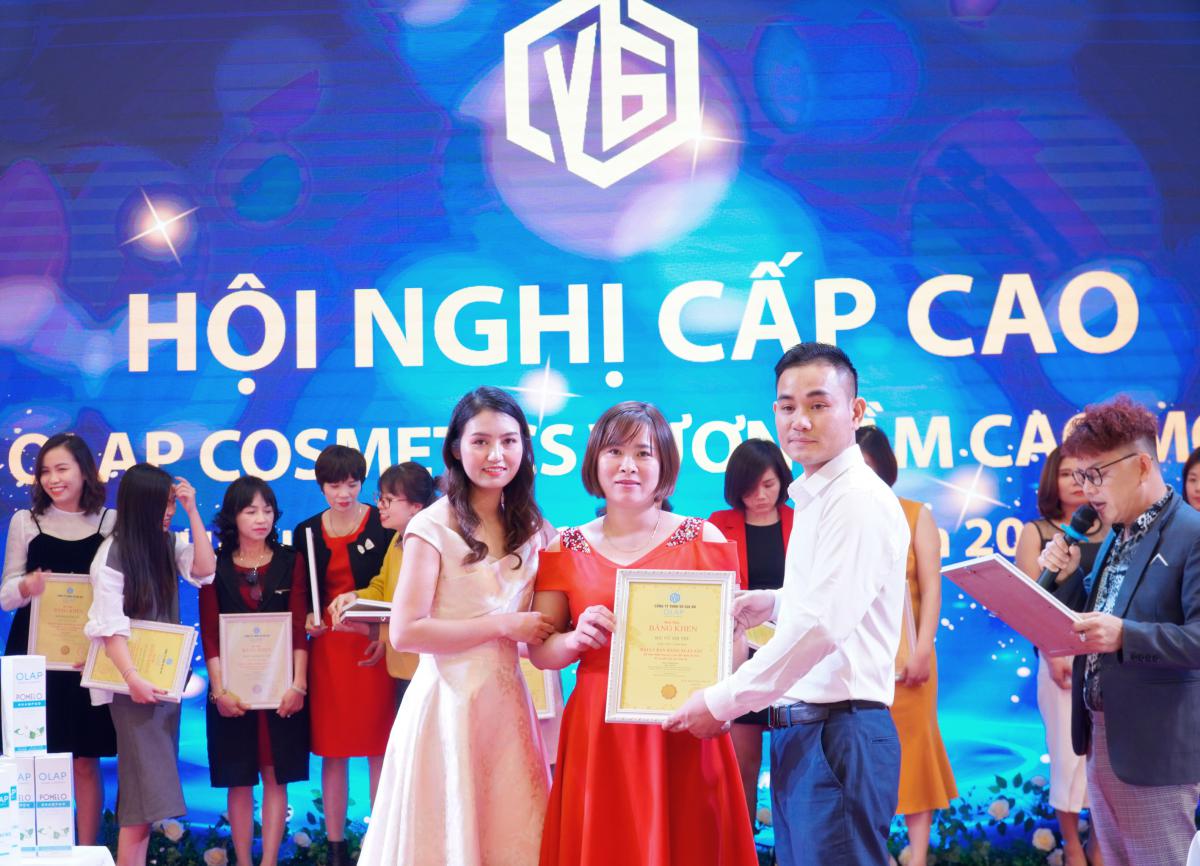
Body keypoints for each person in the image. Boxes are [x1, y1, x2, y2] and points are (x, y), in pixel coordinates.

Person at [665, 342, 910, 866]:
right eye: (787, 405)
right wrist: (776, 604)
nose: (800, 420)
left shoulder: (856, 499)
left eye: (818, 404)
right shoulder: (818, 495)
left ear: (855, 411)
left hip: (837, 731)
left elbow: (820, 628)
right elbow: (828, 602)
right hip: (807, 731)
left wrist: (722, 702)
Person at [531, 400, 757, 866]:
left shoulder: (705, 539)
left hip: (685, 725)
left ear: (665, 465)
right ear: (595, 460)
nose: (628, 465)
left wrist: (726, 676)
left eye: (643, 453)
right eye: (614, 451)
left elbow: (731, 650)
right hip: (600, 730)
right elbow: (541, 652)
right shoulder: (564, 546)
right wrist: (574, 640)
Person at [357, 387, 555, 866]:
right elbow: (407, 632)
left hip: (508, 706)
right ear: (456, 448)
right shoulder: (431, 525)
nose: (496, 455)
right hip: (448, 704)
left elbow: (546, 623)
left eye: (509, 441)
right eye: (481, 441)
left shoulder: (532, 526)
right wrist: (503, 625)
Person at [1038, 395, 1200, 865]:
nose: (1087, 490)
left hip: (1155, 748)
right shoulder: (1117, 533)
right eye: (1081, 476)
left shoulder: (1191, 533)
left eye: (1097, 475)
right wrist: (1067, 578)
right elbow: (1095, 616)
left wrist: (1127, 635)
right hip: (1103, 735)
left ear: (1143, 465)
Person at [84, 464, 216, 866]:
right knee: (142, 802)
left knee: (142, 801)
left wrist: (194, 512)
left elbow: (205, 570)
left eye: (172, 504)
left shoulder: (168, 542)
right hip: (132, 688)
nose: (169, 512)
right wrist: (132, 679)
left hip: (162, 683)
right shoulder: (112, 554)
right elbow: (110, 628)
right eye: (164, 505)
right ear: (140, 504)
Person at [1, 433, 116, 844]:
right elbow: (5, 597)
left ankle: (87, 850)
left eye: (62, 469)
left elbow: (120, 594)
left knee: (86, 760)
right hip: (33, 658)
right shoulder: (26, 522)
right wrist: (26, 586)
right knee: (32, 760)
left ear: (84, 471)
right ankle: (34, 847)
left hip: (87, 657)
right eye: (45, 471)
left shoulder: (110, 522)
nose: (53, 479)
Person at [856, 425, 958, 866]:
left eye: (866, 467)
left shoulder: (915, 514)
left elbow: (932, 589)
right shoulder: (837, 520)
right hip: (859, 666)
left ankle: (917, 856)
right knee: (863, 759)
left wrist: (922, 650)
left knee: (915, 754)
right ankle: (871, 852)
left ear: (884, 468)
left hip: (910, 660)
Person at [292, 445, 395, 866]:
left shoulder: (383, 525)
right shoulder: (306, 531)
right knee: (332, 750)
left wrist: (382, 634)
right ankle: (335, 847)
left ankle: (382, 844)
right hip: (328, 652)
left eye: (352, 484)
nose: (344, 493)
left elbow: (394, 590)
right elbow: (300, 594)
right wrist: (308, 617)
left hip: (373, 646)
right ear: (321, 487)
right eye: (335, 486)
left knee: (379, 747)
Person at [200, 476, 310, 866]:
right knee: (239, 780)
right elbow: (210, 634)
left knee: (276, 775)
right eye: (251, 511)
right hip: (233, 693)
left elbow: (298, 627)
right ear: (233, 516)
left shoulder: (290, 560)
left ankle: (270, 861)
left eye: (267, 510)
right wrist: (219, 691)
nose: (261, 519)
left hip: (282, 691)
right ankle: (244, 861)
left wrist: (299, 685)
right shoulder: (213, 564)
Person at [1014, 447, 1107, 866]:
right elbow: (1027, 603)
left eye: (1083, 473)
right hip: (1059, 663)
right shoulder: (1036, 532)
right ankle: (1071, 845)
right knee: (1067, 758)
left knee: (1104, 759)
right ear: (1052, 480)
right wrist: (1051, 653)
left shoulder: (1114, 529)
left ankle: (1100, 847)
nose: (1075, 481)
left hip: (1106, 659)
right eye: (1067, 473)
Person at [707, 438, 794, 825]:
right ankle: (743, 847)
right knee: (742, 765)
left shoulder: (802, 522)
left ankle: (791, 845)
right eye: (749, 488)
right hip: (740, 659)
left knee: (795, 766)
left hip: (793, 657)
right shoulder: (717, 525)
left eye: (769, 485)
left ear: (783, 482)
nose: (759, 496)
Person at [329, 462, 439, 706]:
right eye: (380, 498)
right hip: (402, 668)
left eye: (388, 500)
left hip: (429, 670)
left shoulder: (432, 545)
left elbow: (429, 618)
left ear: (416, 506)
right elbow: (381, 586)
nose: (379, 505)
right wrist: (354, 598)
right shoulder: (399, 538)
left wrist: (371, 631)